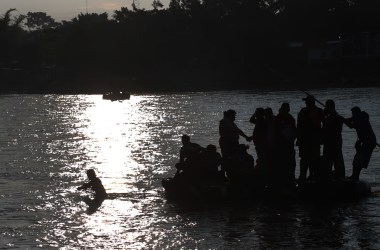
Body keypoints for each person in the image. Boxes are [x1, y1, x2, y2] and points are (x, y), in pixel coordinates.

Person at [344, 106, 377, 180]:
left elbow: (351, 125)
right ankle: (354, 176)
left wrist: (344, 121)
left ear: (356, 113)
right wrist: (345, 119)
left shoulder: (361, 120)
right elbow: (352, 119)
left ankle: (355, 177)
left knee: (359, 160)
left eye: (353, 114)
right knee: (357, 160)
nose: (352, 115)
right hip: (366, 142)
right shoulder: (361, 117)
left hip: (368, 143)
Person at [297, 95, 323, 180]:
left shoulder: (319, 111)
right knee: (304, 159)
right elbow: (299, 126)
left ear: (312, 102)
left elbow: (325, 124)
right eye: (306, 102)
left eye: (307, 101)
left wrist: (320, 135)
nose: (306, 103)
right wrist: (299, 138)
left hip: (314, 140)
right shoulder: (302, 111)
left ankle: (313, 176)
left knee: (314, 159)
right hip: (304, 140)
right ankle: (303, 177)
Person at [322, 100, 345, 179]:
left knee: (332, 160)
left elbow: (326, 128)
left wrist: (324, 117)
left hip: (333, 142)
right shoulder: (335, 116)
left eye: (326, 106)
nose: (325, 108)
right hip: (333, 142)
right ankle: (335, 175)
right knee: (334, 160)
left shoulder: (334, 117)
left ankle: (337, 176)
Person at [274, 102, 297, 182]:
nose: (287, 110)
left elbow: (294, 130)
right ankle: (283, 178)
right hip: (281, 145)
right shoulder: (277, 118)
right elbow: (275, 132)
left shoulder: (290, 118)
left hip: (290, 144)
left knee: (291, 163)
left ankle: (291, 177)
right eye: (286, 108)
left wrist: (293, 138)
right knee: (283, 162)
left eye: (288, 108)